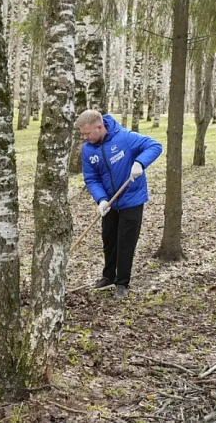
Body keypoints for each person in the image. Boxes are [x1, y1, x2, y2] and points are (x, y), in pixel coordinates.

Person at [76, 109, 162, 300]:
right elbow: (91, 178)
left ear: (100, 127)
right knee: (109, 239)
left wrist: (140, 163)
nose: (85, 137)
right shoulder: (88, 150)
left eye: (87, 133)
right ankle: (108, 276)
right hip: (110, 203)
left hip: (131, 199)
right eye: (83, 133)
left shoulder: (125, 138)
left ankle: (122, 282)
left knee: (125, 242)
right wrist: (101, 199)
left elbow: (155, 146)